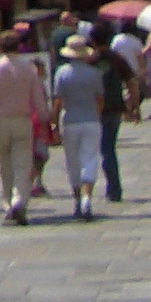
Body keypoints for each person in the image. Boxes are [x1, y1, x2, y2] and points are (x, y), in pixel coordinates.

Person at [0, 28, 50, 226]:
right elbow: (38, 98)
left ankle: (8, 204)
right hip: (22, 120)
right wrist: (44, 119)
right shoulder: (28, 68)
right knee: (23, 163)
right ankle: (20, 200)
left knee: (4, 165)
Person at [52, 40, 105, 221]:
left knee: (72, 162)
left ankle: (77, 199)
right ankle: (87, 198)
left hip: (70, 121)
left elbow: (58, 101)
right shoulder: (94, 73)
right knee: (90, 159)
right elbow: (100, 98)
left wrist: (54, 123)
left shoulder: (62, 73)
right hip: (91, 120)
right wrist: (97, 114)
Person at [93, 25, 131, 205]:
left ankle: (113, 188)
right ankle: (114, 187)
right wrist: (134, 105)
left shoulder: (91, 61)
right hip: (115, 107)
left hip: (95, 109)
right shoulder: (117, 58)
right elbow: (131, 81)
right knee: (108, 148)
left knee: (105, 149)